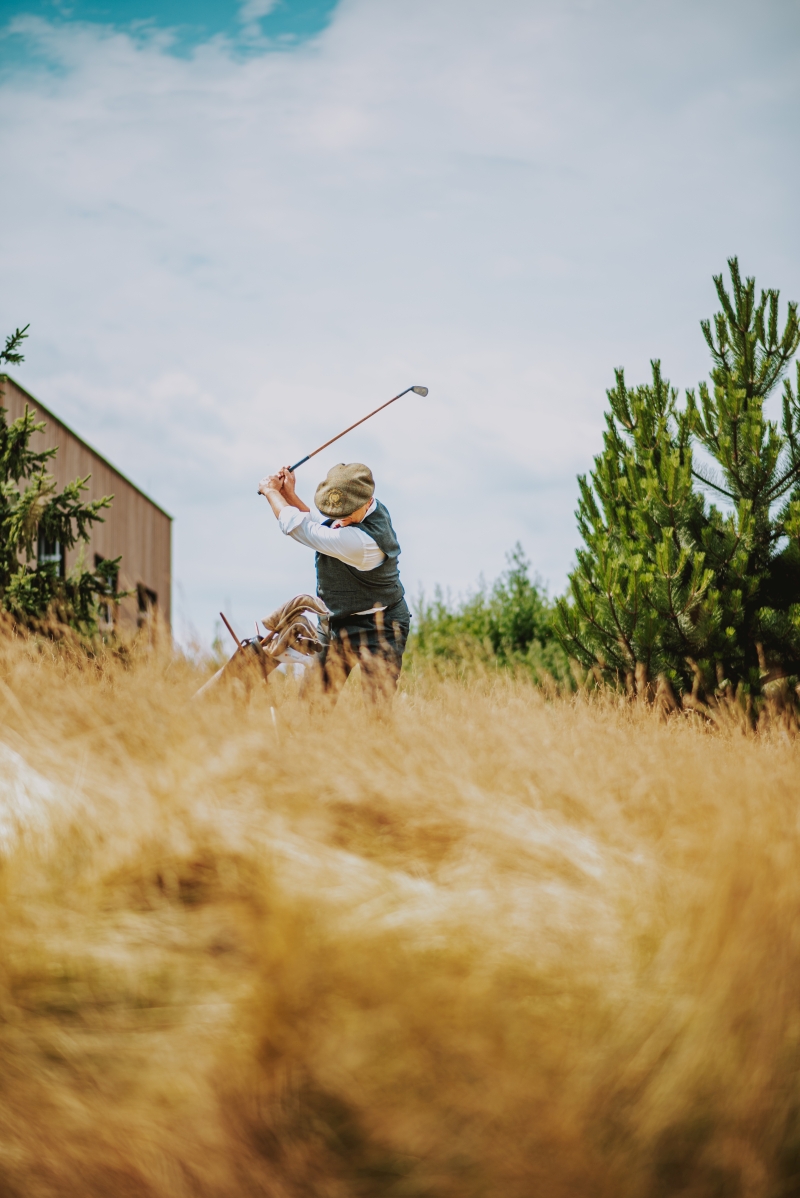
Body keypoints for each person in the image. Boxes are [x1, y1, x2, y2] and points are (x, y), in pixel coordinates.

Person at [258, 462, 411, 701]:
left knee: (377, 713)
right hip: (335, 623)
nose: (340, 519)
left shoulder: (361, 542)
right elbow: (320, 524)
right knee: (312, 707)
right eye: (336, 512)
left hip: (382, 627)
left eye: (347, 512)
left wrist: (271, 491)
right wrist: (289, 495)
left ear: (368, 501)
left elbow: (298, 528)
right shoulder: (358, 510)